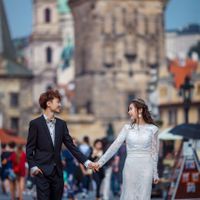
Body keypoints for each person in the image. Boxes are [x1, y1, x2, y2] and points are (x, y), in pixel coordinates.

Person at [26, 90, 96, 200]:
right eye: (58, 102)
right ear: (48, 104)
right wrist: (33, 167)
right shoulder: (35, 124)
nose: (60, 105)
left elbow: (71, 147)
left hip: (58, 173)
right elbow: (29, 148)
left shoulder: (61, 124)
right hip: (41, 172)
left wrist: (87, 162)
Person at [94, 98, 160, 200]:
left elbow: (154, 152)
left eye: (130, 109)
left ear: (140, 110)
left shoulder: (153, 129)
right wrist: (100, 162)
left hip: (147, 167)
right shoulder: (127, 128)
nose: (129, 112)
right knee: (129, 196)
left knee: (144, 196)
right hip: (130, 167)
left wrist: (155, 173)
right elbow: (114, 146)